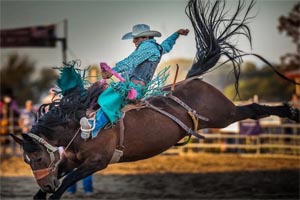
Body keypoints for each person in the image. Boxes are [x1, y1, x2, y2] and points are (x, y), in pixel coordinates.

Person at [80, 24, 189, 138]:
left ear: (146, 37)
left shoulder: (148, 46)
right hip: (132, 85)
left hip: (133, 87)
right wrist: (176, 34)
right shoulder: (155, 47)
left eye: (136, 38)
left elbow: (131, 61)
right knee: (103, 96)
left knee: (112, 100)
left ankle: (94, 125)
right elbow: (166, 46)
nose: (133, 41)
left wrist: (112, 71)